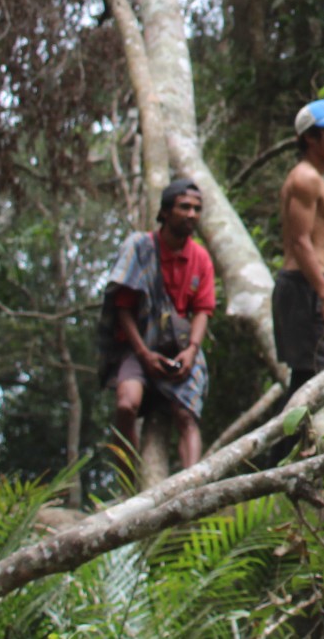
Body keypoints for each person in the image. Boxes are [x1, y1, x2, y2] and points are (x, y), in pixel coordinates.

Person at [98, 176, 217, 469]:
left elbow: (203, 309)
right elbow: (122, 308)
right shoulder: (140, 247)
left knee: (187, 417)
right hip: (138, 346)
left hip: (178, 348)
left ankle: (192, 486)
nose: (192, 214)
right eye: (184, 207)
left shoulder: (200, 258)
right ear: (165, 212)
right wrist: (143, 354)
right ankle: (130, 481)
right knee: (126, 404)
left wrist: (191, 350)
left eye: (197, 208)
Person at [277, 98, 324, 391]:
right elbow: (299, 241)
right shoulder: (305, 178)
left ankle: (299, 438)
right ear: (310, 137)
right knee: (309, 384)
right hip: (303, 286)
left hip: (308, 284)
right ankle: (282, 439)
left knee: (311, 378)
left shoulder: (314, 178)